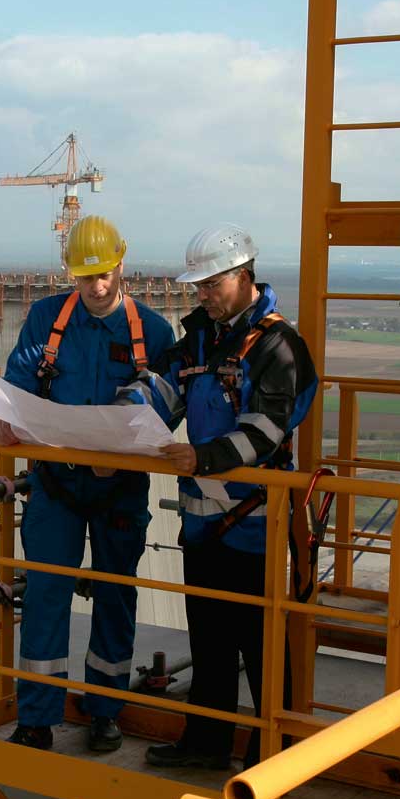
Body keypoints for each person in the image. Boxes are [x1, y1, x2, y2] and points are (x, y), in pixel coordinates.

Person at [119, 223, 318, 770]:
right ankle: (206, 744)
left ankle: (273, 754)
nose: (202, 294)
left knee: (259, 643)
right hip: (205, 521)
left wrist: (201, 458)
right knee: (208, 638)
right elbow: (164, 385)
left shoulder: (279, 346)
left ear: (244, 277)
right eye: (198, 285)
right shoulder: (203, 337)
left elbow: (267, 429)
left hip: (254, 521)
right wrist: (122, 411)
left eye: (211, 284)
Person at [0, 215, 176, 753]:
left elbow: (164, 414)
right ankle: (37, 717)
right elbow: (19, 383)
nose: (95, 288)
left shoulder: (154, 334)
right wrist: (8, 419)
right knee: (47, 593)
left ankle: (105, 711)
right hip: (57, 485)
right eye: (84, 277)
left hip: (121, 486)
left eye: (103, 275)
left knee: (115, 593)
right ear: (70, 273)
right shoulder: (48, 320)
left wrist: (117, 456)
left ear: (122, 264)